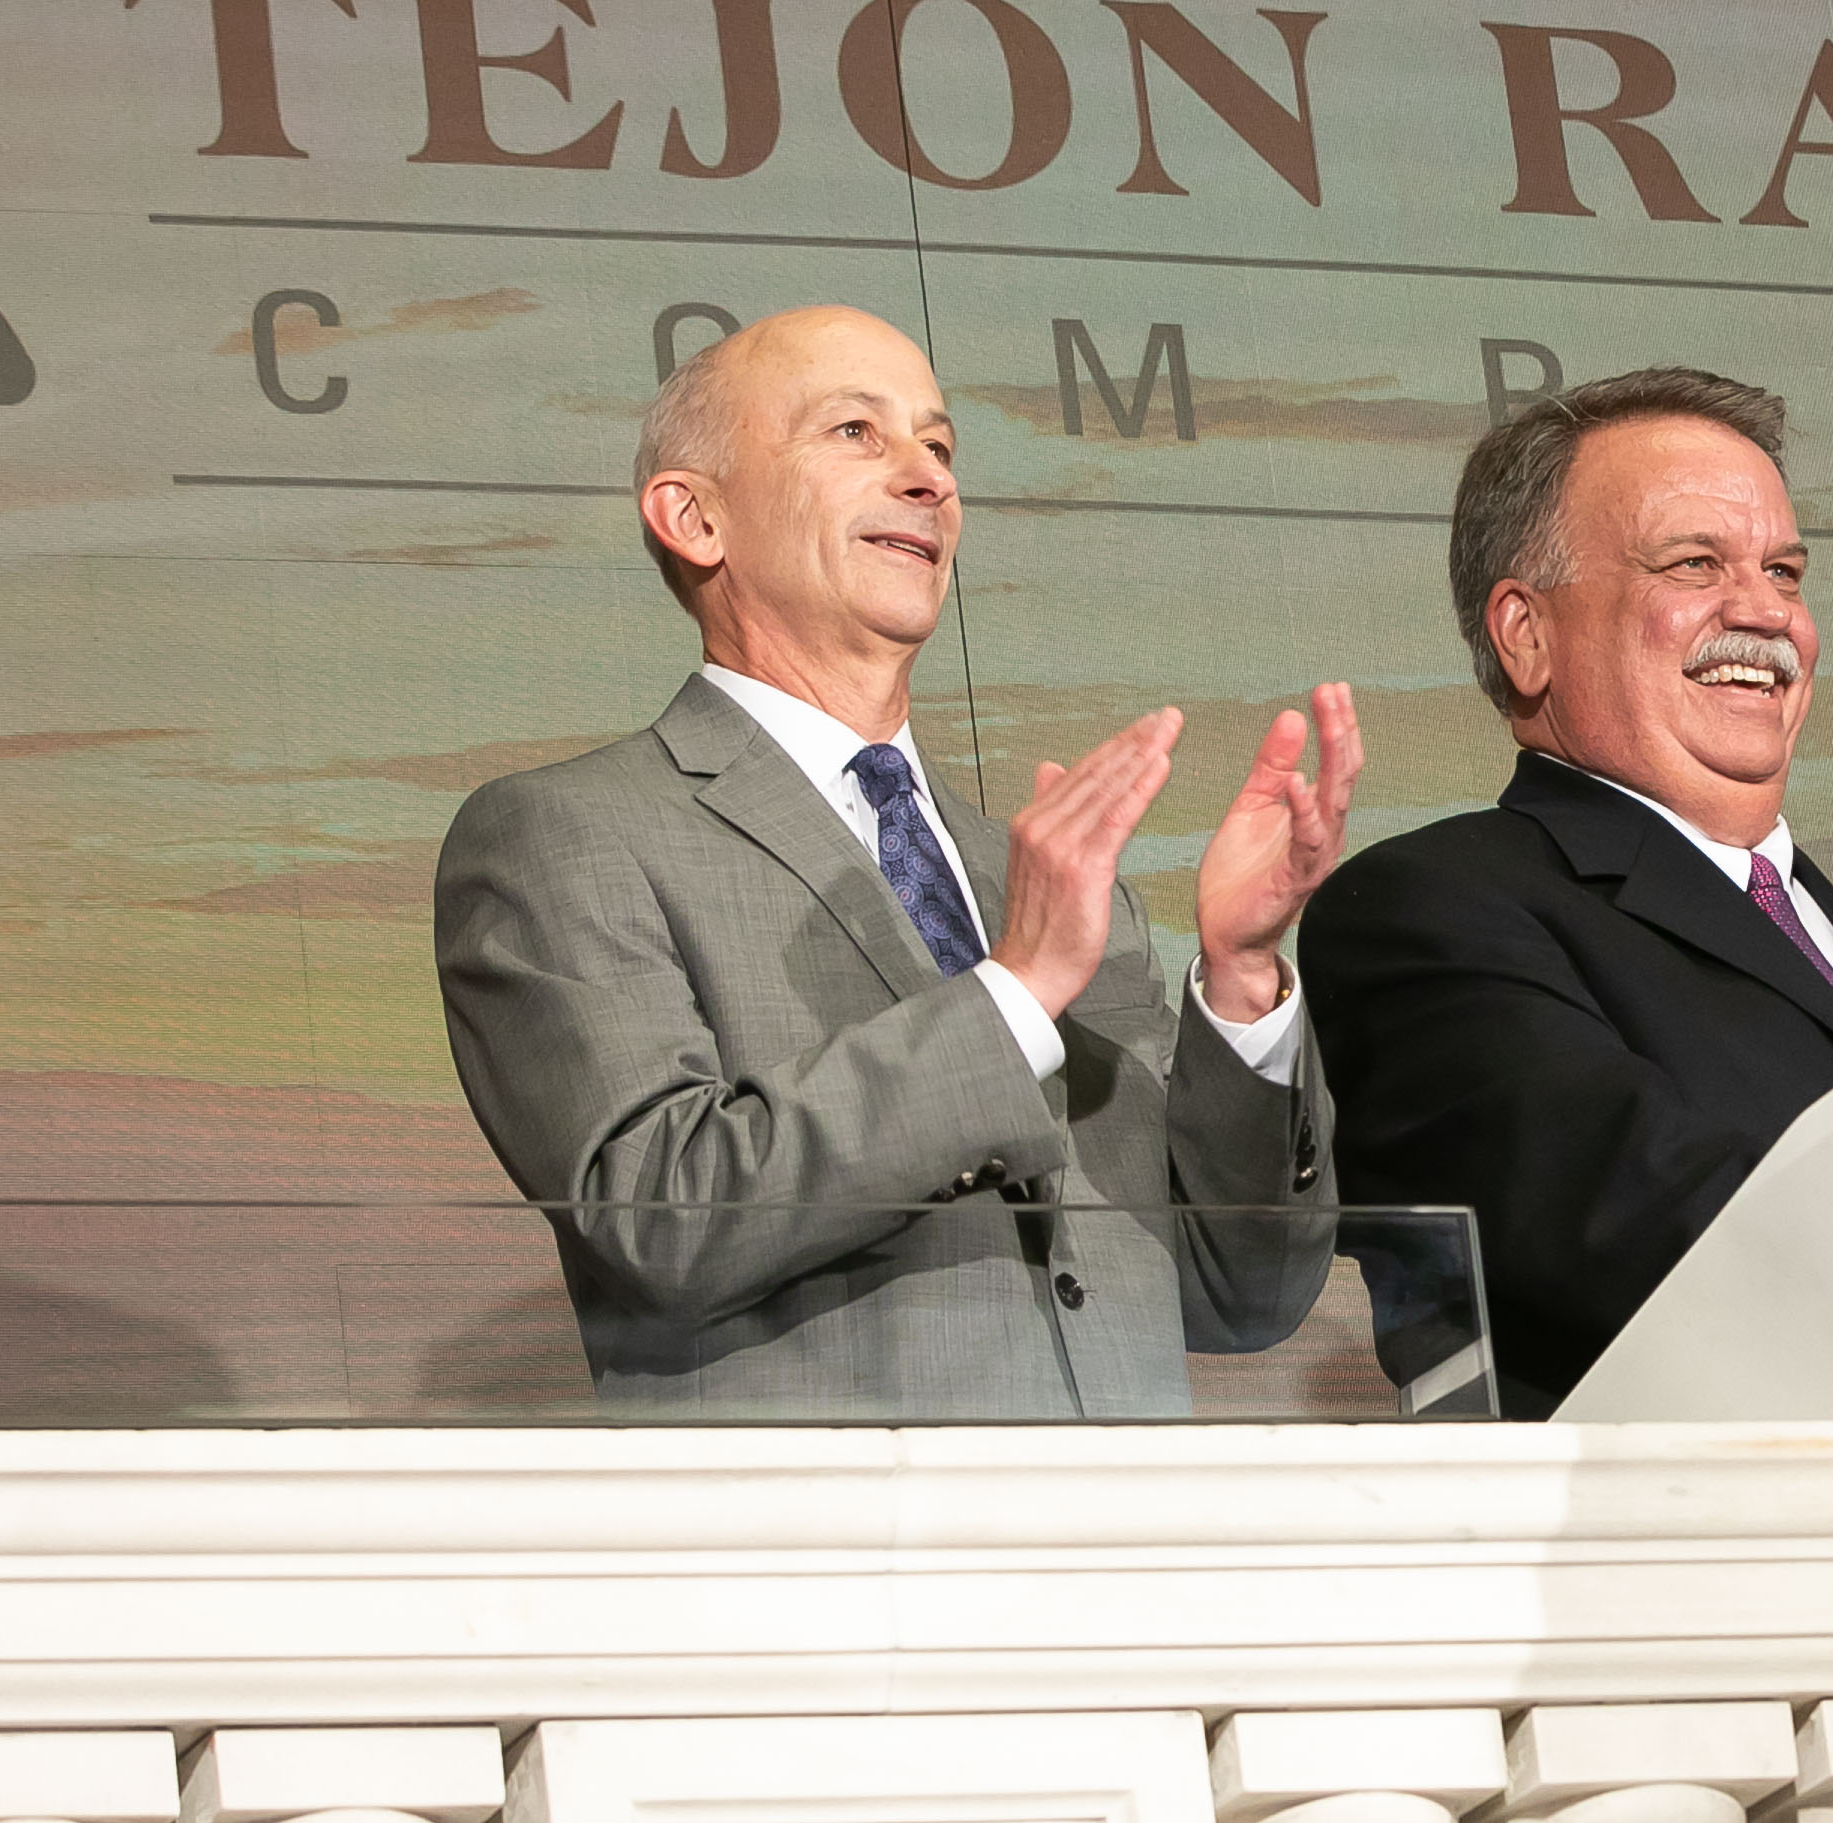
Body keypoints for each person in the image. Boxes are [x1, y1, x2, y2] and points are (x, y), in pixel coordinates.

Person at [433, 304, 1359, 1414]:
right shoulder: (566, 835)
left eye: (941, 446)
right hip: (829, 1566)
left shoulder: (1049, 879)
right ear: (694, 517)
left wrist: (1243, 979)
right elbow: (660, 1216)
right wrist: (1011, 996)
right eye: (855, 434)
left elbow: (1236, 1293)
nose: (929, 479)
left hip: (1119, 1560)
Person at [1302, 368, 1833, 1416]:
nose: (1763, 611)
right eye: (1694, 563)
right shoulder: (1427, 912)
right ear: (1526, 632)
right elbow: (1659, 1223)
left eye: (1785, 571)